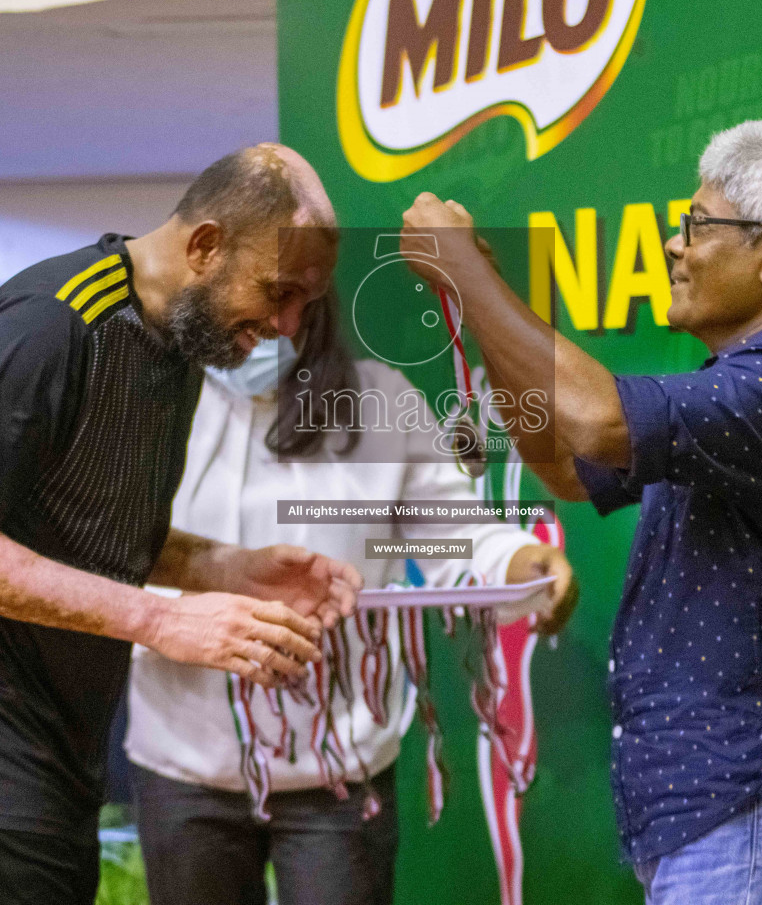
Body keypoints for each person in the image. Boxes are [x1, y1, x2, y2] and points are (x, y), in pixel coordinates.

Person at [0, 144, 363, 905]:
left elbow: (90, 536)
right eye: (277, 291)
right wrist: (161, 620)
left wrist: (229, 569)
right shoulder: (51, 325)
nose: (286, 325)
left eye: (304, 306)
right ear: (206, 246)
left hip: (52, 760)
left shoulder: (182, 344)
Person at [399, 120, 762, 904]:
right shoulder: (735, 388)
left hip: (755, 811)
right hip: (715, 817)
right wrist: (477, 299)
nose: (674, 245)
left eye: (697, 225)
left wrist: (469, 274)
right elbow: (560, 464)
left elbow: (595, 419)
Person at [123, 287, 579, 905]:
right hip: (182, 759)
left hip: (337, 767)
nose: (274, 326)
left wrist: (520, 564)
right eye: (256, 302)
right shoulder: (145, 399)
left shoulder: (378, 400)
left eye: (290, 302)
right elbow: (107, 543)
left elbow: (454, 537)